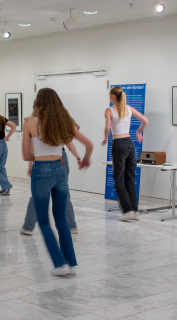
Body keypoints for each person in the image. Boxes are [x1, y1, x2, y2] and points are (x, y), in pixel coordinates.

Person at [22, 88, 93, 276]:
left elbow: (25, 155)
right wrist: (85, 159)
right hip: (60, 169)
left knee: (44, 221)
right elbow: (89, 144)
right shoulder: (65, 122)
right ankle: (70, 263)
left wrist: (37, 153)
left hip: (41, 171)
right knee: (61, 220)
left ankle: (60, 264)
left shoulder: (30, 123)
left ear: (38, 102)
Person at [103, 86, 149, 221]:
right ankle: (134, 211)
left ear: (112, 96)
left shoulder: (109, 110)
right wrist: (139, 132)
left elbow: (107, 127)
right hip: (130, 144)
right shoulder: (129, 109)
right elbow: (145, 120)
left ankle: (128, 211)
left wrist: (106, 138)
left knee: (118, 180)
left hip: (119, 144)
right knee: (130, 179)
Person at [21, 143, 81, 235]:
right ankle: (71, 226)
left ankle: (28, 227)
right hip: (61, 156)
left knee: (38, 194)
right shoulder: (61, 128)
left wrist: (30, 165)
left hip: (43, 157)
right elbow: (69, 143)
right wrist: (78, 158)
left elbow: (32, 147)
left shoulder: (37, 128)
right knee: (63, 192)